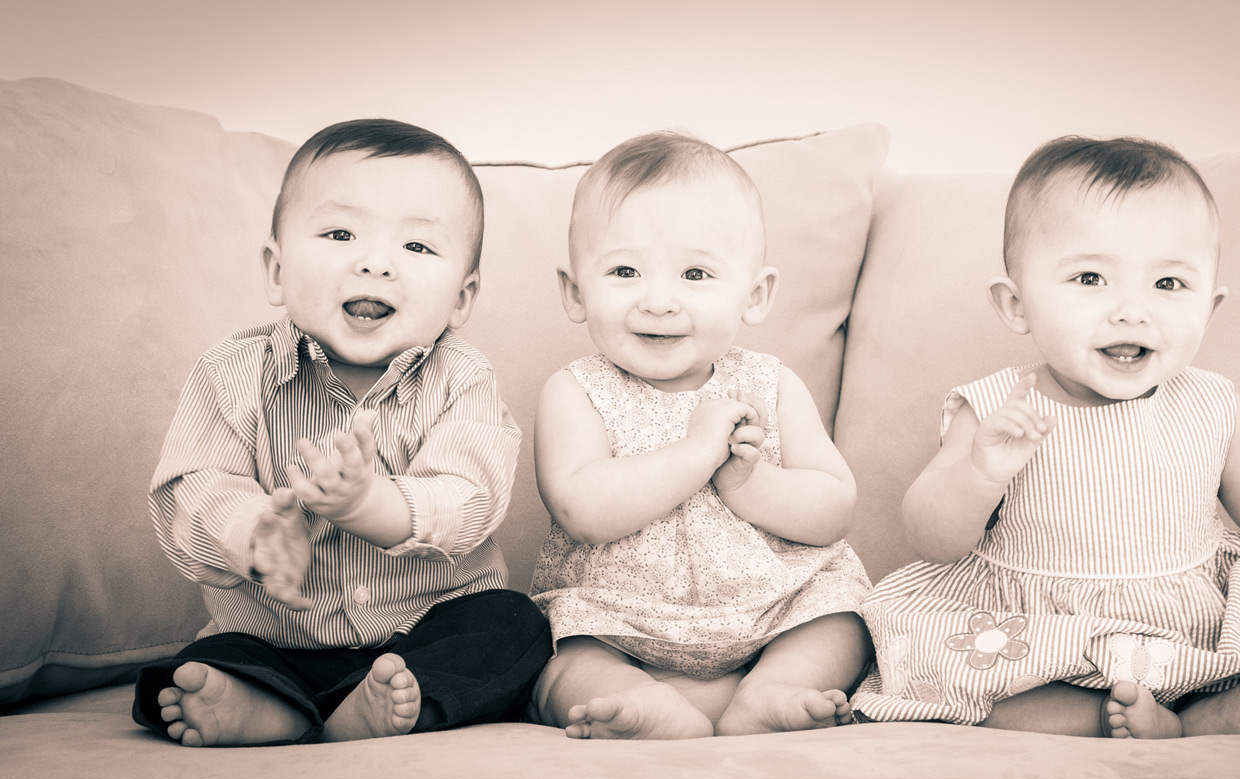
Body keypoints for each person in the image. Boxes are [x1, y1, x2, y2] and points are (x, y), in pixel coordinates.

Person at [850, 136, 1240, 738]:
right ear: (1016, 305)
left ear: (1208, 310)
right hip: (1033, 628)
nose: (1132, 311)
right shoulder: (998, 409)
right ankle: (1106, 715)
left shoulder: (1214, 405)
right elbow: (932, 539)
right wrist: (979, 474)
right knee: (932, 671)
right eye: (1090, 277)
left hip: (1180, 626)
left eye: (1168, 285)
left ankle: (1198, 712)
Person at [133, 119, 551, 746]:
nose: (375, 262)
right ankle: (273, 705)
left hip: (426, 629)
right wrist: (250, 531)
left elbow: (471, 497)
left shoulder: (464, 380)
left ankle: (384, 707)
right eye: (339, 233)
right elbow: (188, 488)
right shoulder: (233, 374)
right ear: (276, 269)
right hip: (277, 634)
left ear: (462, 298)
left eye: (417, 247)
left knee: (516, 627)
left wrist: (372, 505)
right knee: (193, 670)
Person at [528, 131, 872, 740]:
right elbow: (582, 508)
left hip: (774, 608)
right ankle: (634, 701)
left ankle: (772, 690)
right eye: (624, 270)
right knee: (559, 660)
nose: (658, 301)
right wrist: (695, 454)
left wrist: (751, 481)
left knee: (842, 617)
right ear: (575, 292)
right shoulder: (575, 389)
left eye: (695, 273)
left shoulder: (772, 382)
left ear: (755, 295)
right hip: (621, 619)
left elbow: (833, 510)